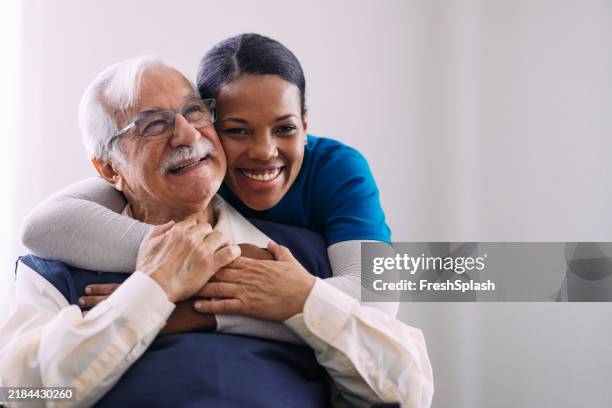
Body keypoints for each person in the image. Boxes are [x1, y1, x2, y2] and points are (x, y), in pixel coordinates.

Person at [1, 57, 433, 407]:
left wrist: (303, 302)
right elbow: (19, 394)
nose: (187, 134)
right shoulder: (55, 270)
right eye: (153, 124)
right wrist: (151, 291)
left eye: (193, 111)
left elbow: (409, 389)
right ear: (109, 168)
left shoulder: (302, 258)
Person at [20, 34, 399, 339]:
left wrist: (187, 311)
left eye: (285, 128)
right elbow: (41, 227)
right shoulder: (191, 172)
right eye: (237, 130)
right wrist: (184, 259)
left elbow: (377, 304)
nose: (264, 152)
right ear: (212, 125)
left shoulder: (337, 169)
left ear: (305, 122)